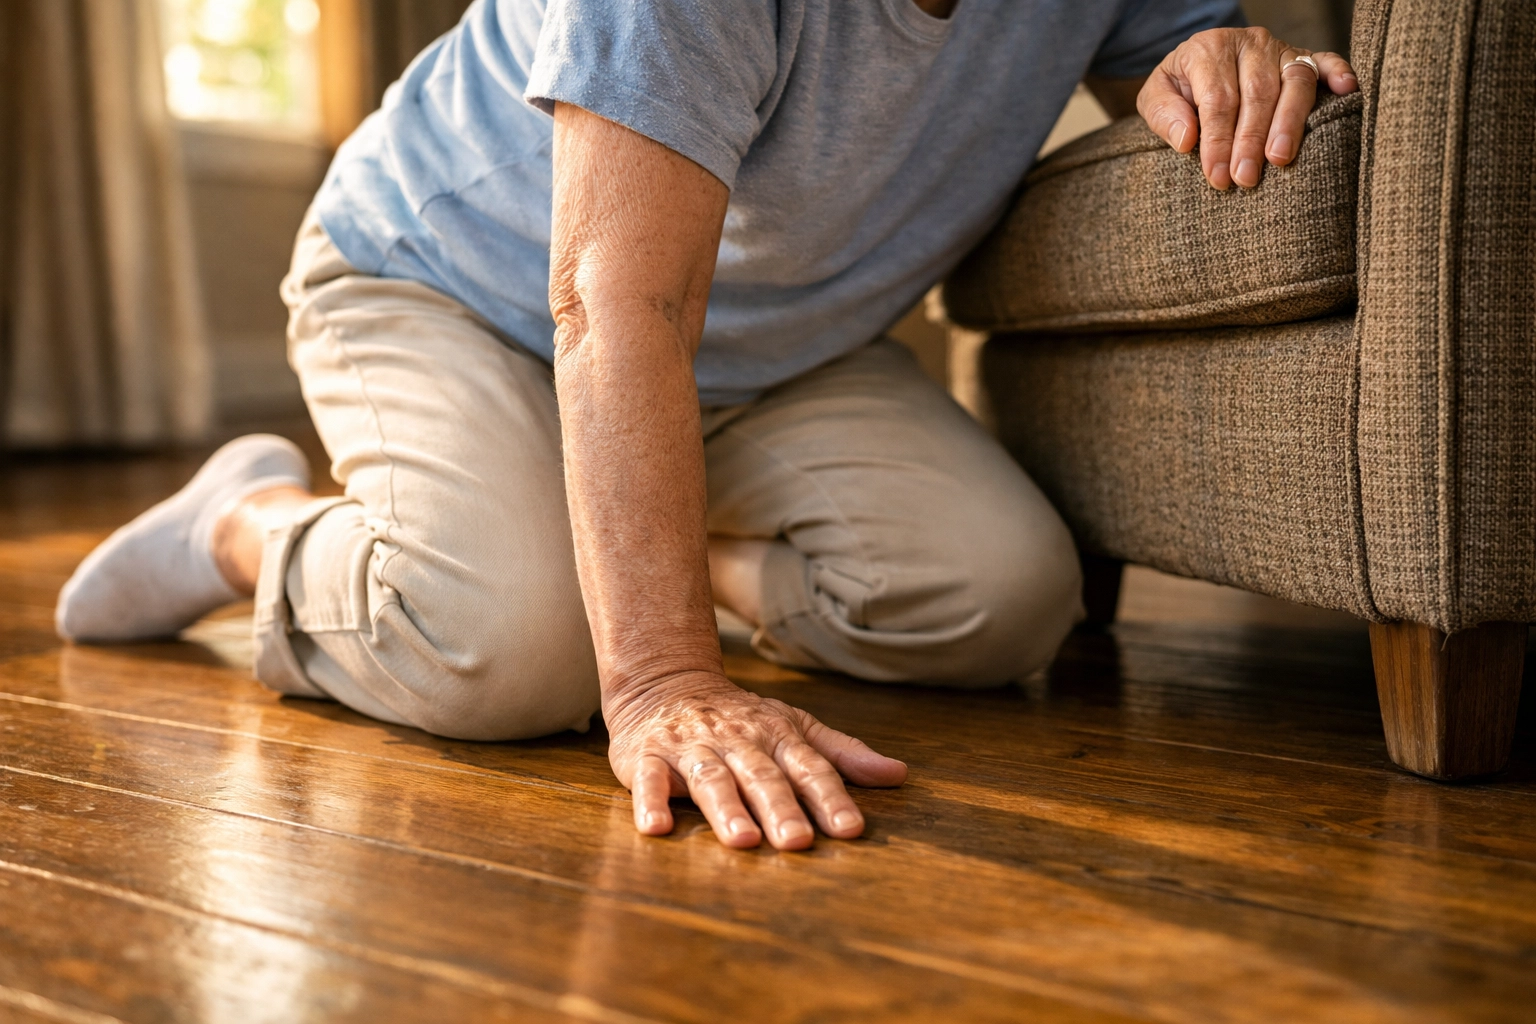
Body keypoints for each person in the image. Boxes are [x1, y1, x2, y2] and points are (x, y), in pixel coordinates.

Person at [57, 0, 1357, 851]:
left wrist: (1223, 53)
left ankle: (608, 543)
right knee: (514, 662)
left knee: (997, 599)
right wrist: (663, 676)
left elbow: (1175, 47)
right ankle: (245, 526)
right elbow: (615, 301)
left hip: (767, 345)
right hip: (454, 283)